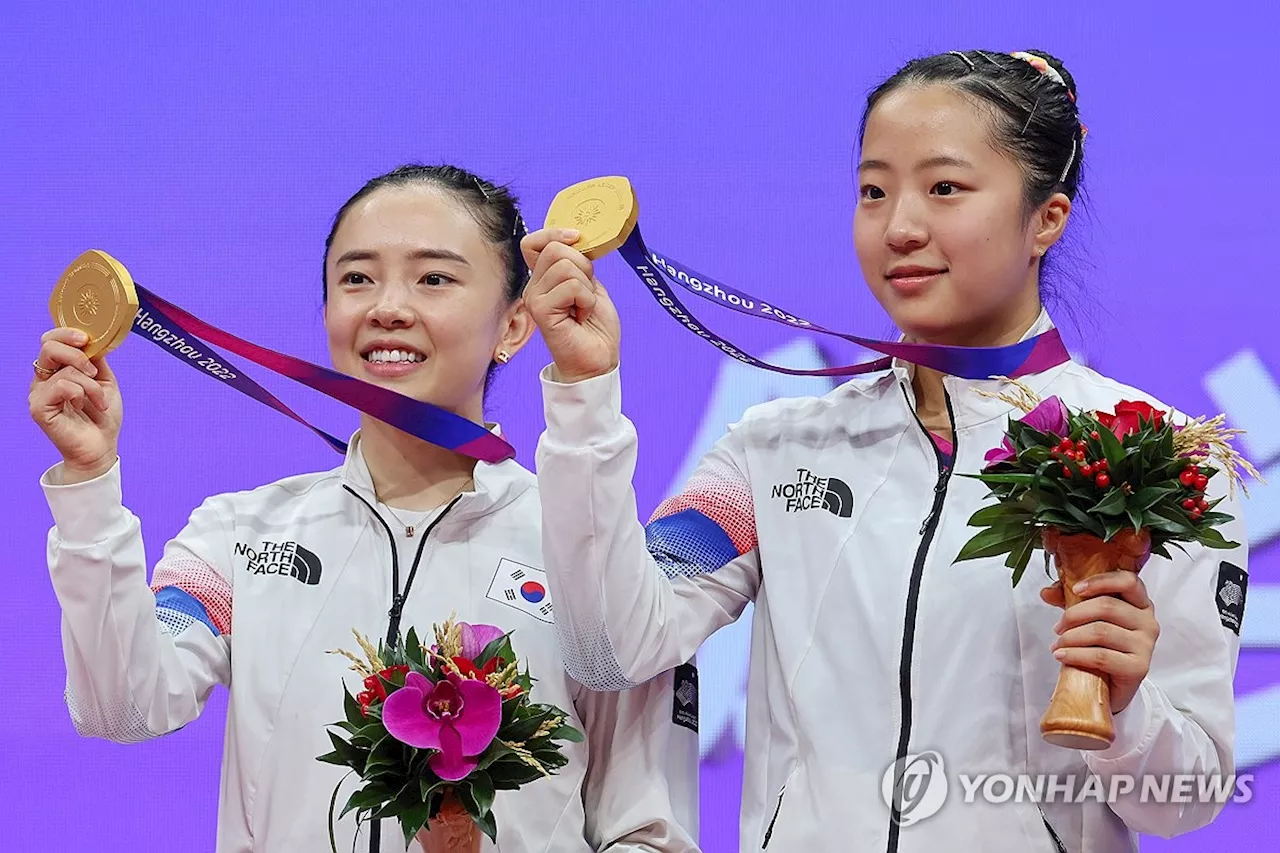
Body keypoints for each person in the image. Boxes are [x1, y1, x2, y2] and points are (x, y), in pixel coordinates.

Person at [522, 50, 1247, 852]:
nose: (900, 226)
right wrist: (584, 396)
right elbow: (610, 646)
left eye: (945, 187)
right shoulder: (777, 452)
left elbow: (1189, 797)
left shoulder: (1155, 457)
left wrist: (1128, 707)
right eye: (874, 190)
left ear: (1047, 217)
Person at [29, 164, 701, 853]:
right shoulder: (242, 537)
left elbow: (648, 833)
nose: (388, 306)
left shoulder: (596, 565)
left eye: (433, 278)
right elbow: (123, 705)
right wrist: (88, 484)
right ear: (326, 316)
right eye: (357, 278)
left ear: (515, 325)